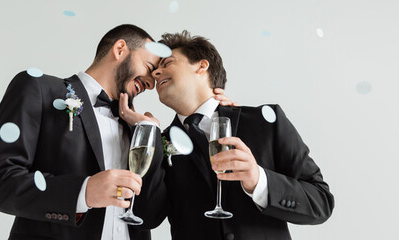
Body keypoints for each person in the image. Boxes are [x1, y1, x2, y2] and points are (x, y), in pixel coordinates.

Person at [121, 30, 335, 240]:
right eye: (156, 69)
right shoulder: (160, 142)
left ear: (202, 66)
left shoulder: (266, 122)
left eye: (167, 64)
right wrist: (147, 133)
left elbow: (321, 202)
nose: (156, 74)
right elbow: (146, 218)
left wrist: (258, 180)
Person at [0, 24, 164, 240]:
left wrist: (151, 132)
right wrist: (83, 192)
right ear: (120, 49)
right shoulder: (38, 89)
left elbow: (152, 214)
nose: (151, 84)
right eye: (149, 67)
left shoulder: (137, 128)